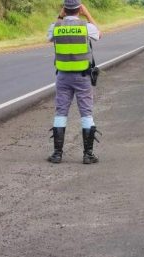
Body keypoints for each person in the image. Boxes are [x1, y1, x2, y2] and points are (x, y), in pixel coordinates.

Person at [47, 0, 102, 164]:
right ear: (79, 9)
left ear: (64, 10)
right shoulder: (86, 27)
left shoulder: (56, 27)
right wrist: (88, 14)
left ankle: (57, 154)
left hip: (63, 77)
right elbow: (99, 34)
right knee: (86, 112)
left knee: (61, 112)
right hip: (82, 77)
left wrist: (59, 16)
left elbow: (49, 37)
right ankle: (88, 154)